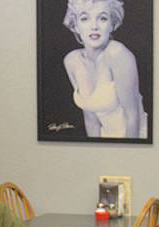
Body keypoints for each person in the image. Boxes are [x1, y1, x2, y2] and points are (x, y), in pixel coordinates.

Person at [62, 0, 147, 138]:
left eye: (102, 18)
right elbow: (90, 118)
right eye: (85, 18)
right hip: (104, 139)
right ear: (75, 25)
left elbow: (133, 118)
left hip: (134, 138)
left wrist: (128, 156)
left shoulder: (119, 55)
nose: (94, 26)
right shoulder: (72, 61)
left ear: (112, 24)